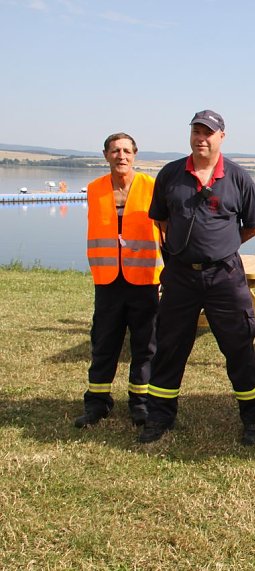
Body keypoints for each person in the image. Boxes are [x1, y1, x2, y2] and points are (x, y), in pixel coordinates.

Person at [139, 109, 255, 446]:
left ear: (221, 136)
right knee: (169, 347)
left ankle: (253, 420)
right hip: (181, 278)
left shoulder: (238, 178)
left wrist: (220, 247)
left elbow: (253, 226)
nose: (201, 138)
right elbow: (161, 221)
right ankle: (159, 417)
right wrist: (185, 251)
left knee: (239, 347)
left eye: (208, 132)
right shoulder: (170, 174)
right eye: (196, 131)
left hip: (225, 277)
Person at [75, 132, 161, 428]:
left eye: (126, 150)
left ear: (135, 155)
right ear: (105, 155)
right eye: (115, 151)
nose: (120, 156)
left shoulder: (152, 187)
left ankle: (141, 402)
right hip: (108, 280)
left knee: (145, 344)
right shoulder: (94, 189)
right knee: (104, 341)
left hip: (145, 278)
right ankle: (97, 402)